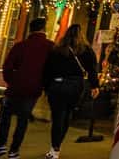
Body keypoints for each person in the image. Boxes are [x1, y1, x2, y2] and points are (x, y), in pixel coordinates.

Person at [0, 17, 53, 159]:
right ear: (44, 29)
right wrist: (44, 84)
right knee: (23, 119)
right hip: (34, 88)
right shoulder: (50, 47)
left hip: (15, 87)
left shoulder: (20, 46)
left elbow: (8, 67)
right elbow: (51, 69)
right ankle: (14, 150)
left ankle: (1, 145)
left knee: (6, 116)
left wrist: (12, 80)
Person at [41, 24, 99, 159]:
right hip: (75, 87)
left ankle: (54, 148)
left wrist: (46, 87)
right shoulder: (87, 51)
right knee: (67, 115)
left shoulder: (57, 50)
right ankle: (57, 147)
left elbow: (47, 70)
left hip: (57, 86)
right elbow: (92, 70)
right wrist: (95, 86)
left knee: (57, 118)